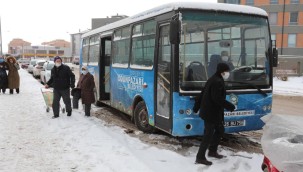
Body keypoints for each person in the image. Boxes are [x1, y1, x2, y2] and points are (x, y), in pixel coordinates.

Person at [193, 63, 235, 166]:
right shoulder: (217, 81)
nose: (228, 73)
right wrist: (230, 106)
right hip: (210, 112)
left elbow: (203, 93)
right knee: (208, 134)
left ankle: (212, 151)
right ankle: (200, 157)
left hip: (213, 112)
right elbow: (217, 99)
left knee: (220, 130)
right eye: (227, 71)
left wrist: (196, 107)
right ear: (222, 72)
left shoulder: (214, 79)